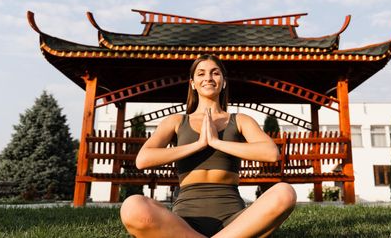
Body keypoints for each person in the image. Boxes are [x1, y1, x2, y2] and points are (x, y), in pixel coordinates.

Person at [120, 54, 297, 237]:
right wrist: (198, 144)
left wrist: (216, 142)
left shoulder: (240, 120)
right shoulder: (177, 121)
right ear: (193, 83)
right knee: (132, 206)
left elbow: (271, 153)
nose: (208, 78)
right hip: (184, 222)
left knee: (285, 192)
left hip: (235, 221)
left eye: (215, 73)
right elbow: (143, 160)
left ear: (224, 82)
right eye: (201, 73)